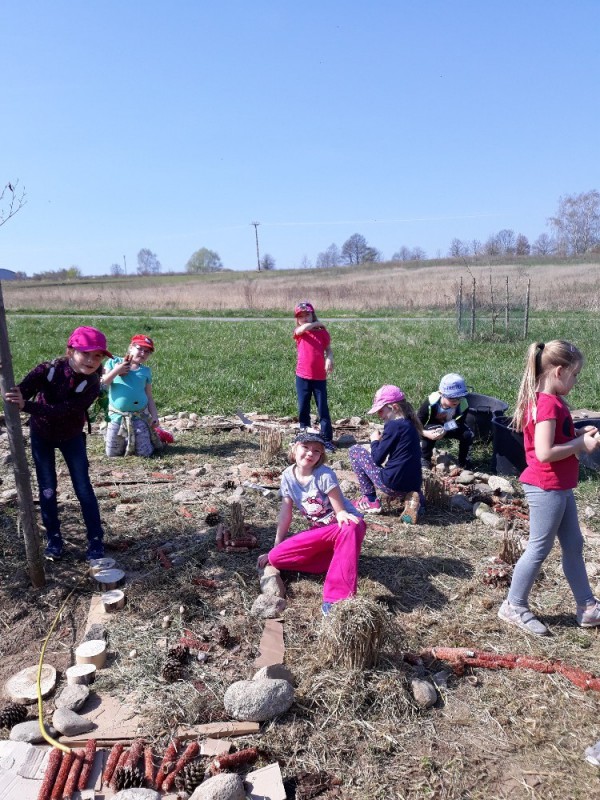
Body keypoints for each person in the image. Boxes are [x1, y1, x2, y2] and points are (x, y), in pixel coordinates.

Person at [498, 340, 600, 635]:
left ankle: (587, 607)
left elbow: (553, 437)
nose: (575, 381)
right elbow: (544, 452)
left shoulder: (550, 401)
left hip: (560, 485)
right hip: (546, 486)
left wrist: (576, 432)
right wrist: (580, 444)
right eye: (575, 374)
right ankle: (513, 605)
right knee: (539, 548)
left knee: (574, 545)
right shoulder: (547, 404)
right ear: (559, 371)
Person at [4, 326, 111, 561]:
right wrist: (13, 389)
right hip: (41, 435)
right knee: (47, 488)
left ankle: (95, 540)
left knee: (83, 488)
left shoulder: (93, 383)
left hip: (72, 436)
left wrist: (27, 406)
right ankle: (54, 540)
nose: (91, 360)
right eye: (85, 353)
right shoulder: (47, 370)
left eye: (97, 356)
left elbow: (64, 410)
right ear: (70, 350)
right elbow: (21, 392)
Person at [257, 431, 366, 615]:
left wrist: (341, 513)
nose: (310, 453)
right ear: (294, 449)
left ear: (321, 455)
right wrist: (276, 546)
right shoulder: (287, 476)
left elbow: (340, 512)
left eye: (316, 450)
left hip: (345, 525)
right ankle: (336, 561)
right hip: (321, 532)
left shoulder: (324, 474)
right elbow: (285, 514)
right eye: (305, 447)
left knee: (350, 526)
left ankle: (337, 600)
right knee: (275, 557)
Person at [348, 385, 423, 523]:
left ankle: (370, 500)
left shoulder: (393, 426)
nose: (379, 415)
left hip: (392, 483)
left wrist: (374, 441)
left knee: (355, 451)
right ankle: (416, 502)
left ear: (394, 407)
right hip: (414, 485)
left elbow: (377, 459)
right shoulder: (411, 424)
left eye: (381, 411)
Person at [102, 334, 160, 457]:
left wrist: (154, 416)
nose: (143, 353)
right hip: (117, 417)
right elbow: (103, 383)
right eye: (140, 348)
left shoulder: (145, 371)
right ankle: (127, 439)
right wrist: (117, 371)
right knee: (112, 453)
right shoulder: (114, 362)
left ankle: (150, 437)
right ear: (131, 347)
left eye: (147, 351)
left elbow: (149, 396)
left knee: (144, 453)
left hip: (139, 416)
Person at [293, 301, 335, 452]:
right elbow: (301, 329)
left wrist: (329, 358)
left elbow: (328, 349)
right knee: (303, 407)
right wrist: (316, 323)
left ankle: (326, 439)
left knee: (322, 408)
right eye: (300, 316)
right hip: (302, 376)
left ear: (313, 314)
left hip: (319, 378)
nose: (304, 318)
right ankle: (304, 434)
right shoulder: (300, 332)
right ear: (297, 319)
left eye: (307, 314)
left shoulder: (322, 333)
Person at [418, 373, 474, 469]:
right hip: (433, 427)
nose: (456, 401)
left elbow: (459, 422)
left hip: (451, 426)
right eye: (452, 398)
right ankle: (425, 458)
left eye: (459, 397)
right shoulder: (431, 402)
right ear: (441, 393)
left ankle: (463, 461)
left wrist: (445, 429)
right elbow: (418, 421)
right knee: (429, 434)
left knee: (467, 435)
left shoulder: (463, 404)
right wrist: (425, 433)